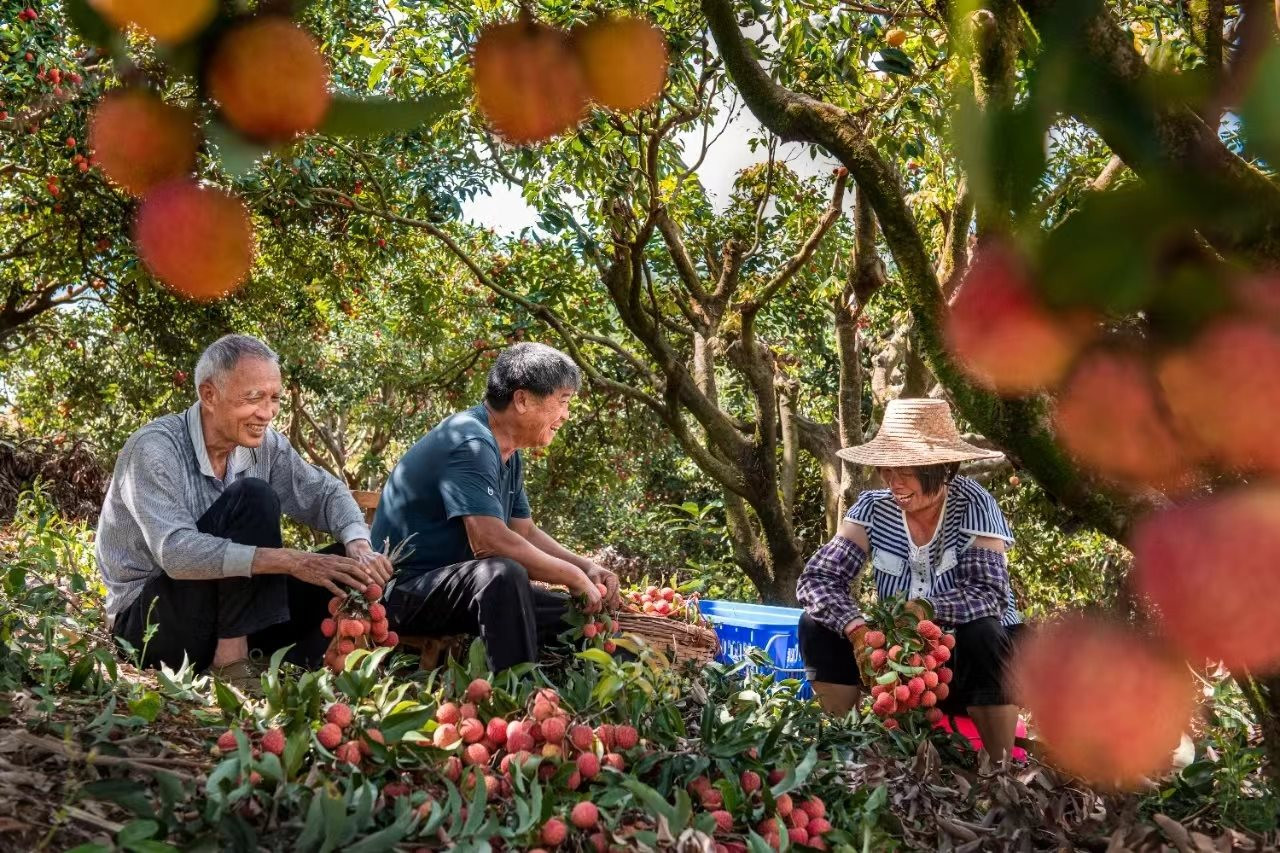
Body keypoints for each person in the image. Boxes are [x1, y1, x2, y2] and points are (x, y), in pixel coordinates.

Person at [97, 334, 393, 691]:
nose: (267, 413)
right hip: (153, 625)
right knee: (253, 498)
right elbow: (174, 552)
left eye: (274, 398)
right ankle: (231, 662)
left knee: (343, 569)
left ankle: (312, 667)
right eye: (253, 398)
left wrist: (358, 544)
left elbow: (325, 492)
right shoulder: (155, 449)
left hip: (225, 614)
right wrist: (289, 560)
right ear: (209, 395)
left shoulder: (264, 445)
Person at [796, 397, 1023, 760]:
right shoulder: (873, 508)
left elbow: (988, 594)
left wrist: (925, 610)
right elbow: (819, 579)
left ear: (942, 467)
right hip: (899, 649)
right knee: (815, 623)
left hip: (966, 654)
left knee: (984, 630)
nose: (892, 481)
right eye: (887, 469)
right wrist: (856, 630)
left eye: (905, 470)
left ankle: (999, 766)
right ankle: (847, 748)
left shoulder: (974, 504)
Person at [373, 342, 620, 673]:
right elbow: (489, 542)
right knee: (502, 574)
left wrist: (585, 567)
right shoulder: (471, 442)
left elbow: (524, 531)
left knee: (572, 613)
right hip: (405, 595)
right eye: (562, 402)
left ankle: (602, 685)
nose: (566, 415)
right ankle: (519, 698)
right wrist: (570, 575)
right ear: (522, 399)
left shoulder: (508, 452)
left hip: (456, 589)